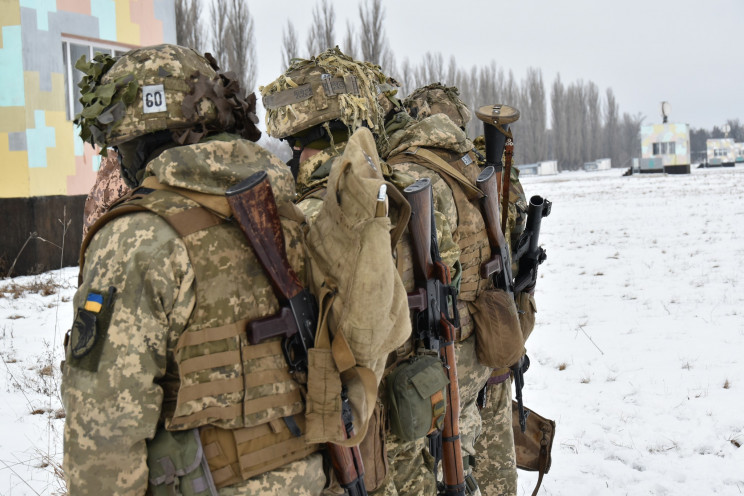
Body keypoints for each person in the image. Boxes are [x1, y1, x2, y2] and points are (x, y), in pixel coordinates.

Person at [61, 44, 327, 495]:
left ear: (140, 142)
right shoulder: (292, 212)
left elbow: (104, 430)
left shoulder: (138, 238)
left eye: (121, 147)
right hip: (308, 476)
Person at [261, 48, 456, 496]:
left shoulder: (310, 216)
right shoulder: (402, 196)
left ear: (298, 142)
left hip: (356, 435)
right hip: (413, 408)